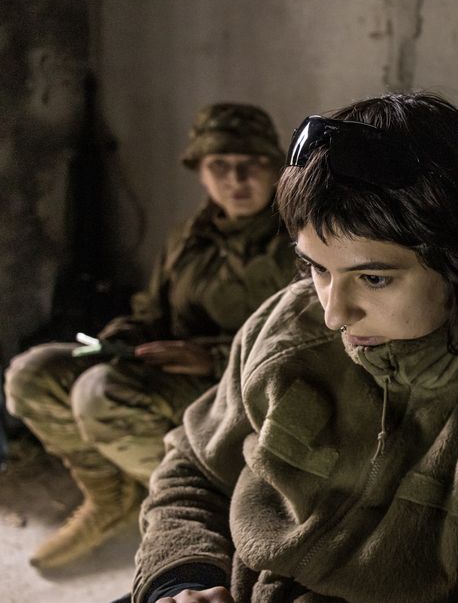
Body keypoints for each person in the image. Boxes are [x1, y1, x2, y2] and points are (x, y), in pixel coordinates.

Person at [132, 93, 458, 603]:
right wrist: (181, 581)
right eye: (316, 268)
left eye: (374, 277)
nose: (334, 314)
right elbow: (192, 470)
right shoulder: (287, 324)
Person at [5, 103, 296, 569]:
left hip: (246, 393)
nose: (235, 179)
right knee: (33, 374)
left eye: (252, 165)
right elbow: (153, 310)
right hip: (174, 375)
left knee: (99, 394)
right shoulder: (189, 236)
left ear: (275, 168)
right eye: (219, 165)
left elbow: (302, 341)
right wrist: (121, 336)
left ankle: (190, 513)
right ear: (200, 172)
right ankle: (109, 498)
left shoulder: (297, 242)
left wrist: (213, 358)